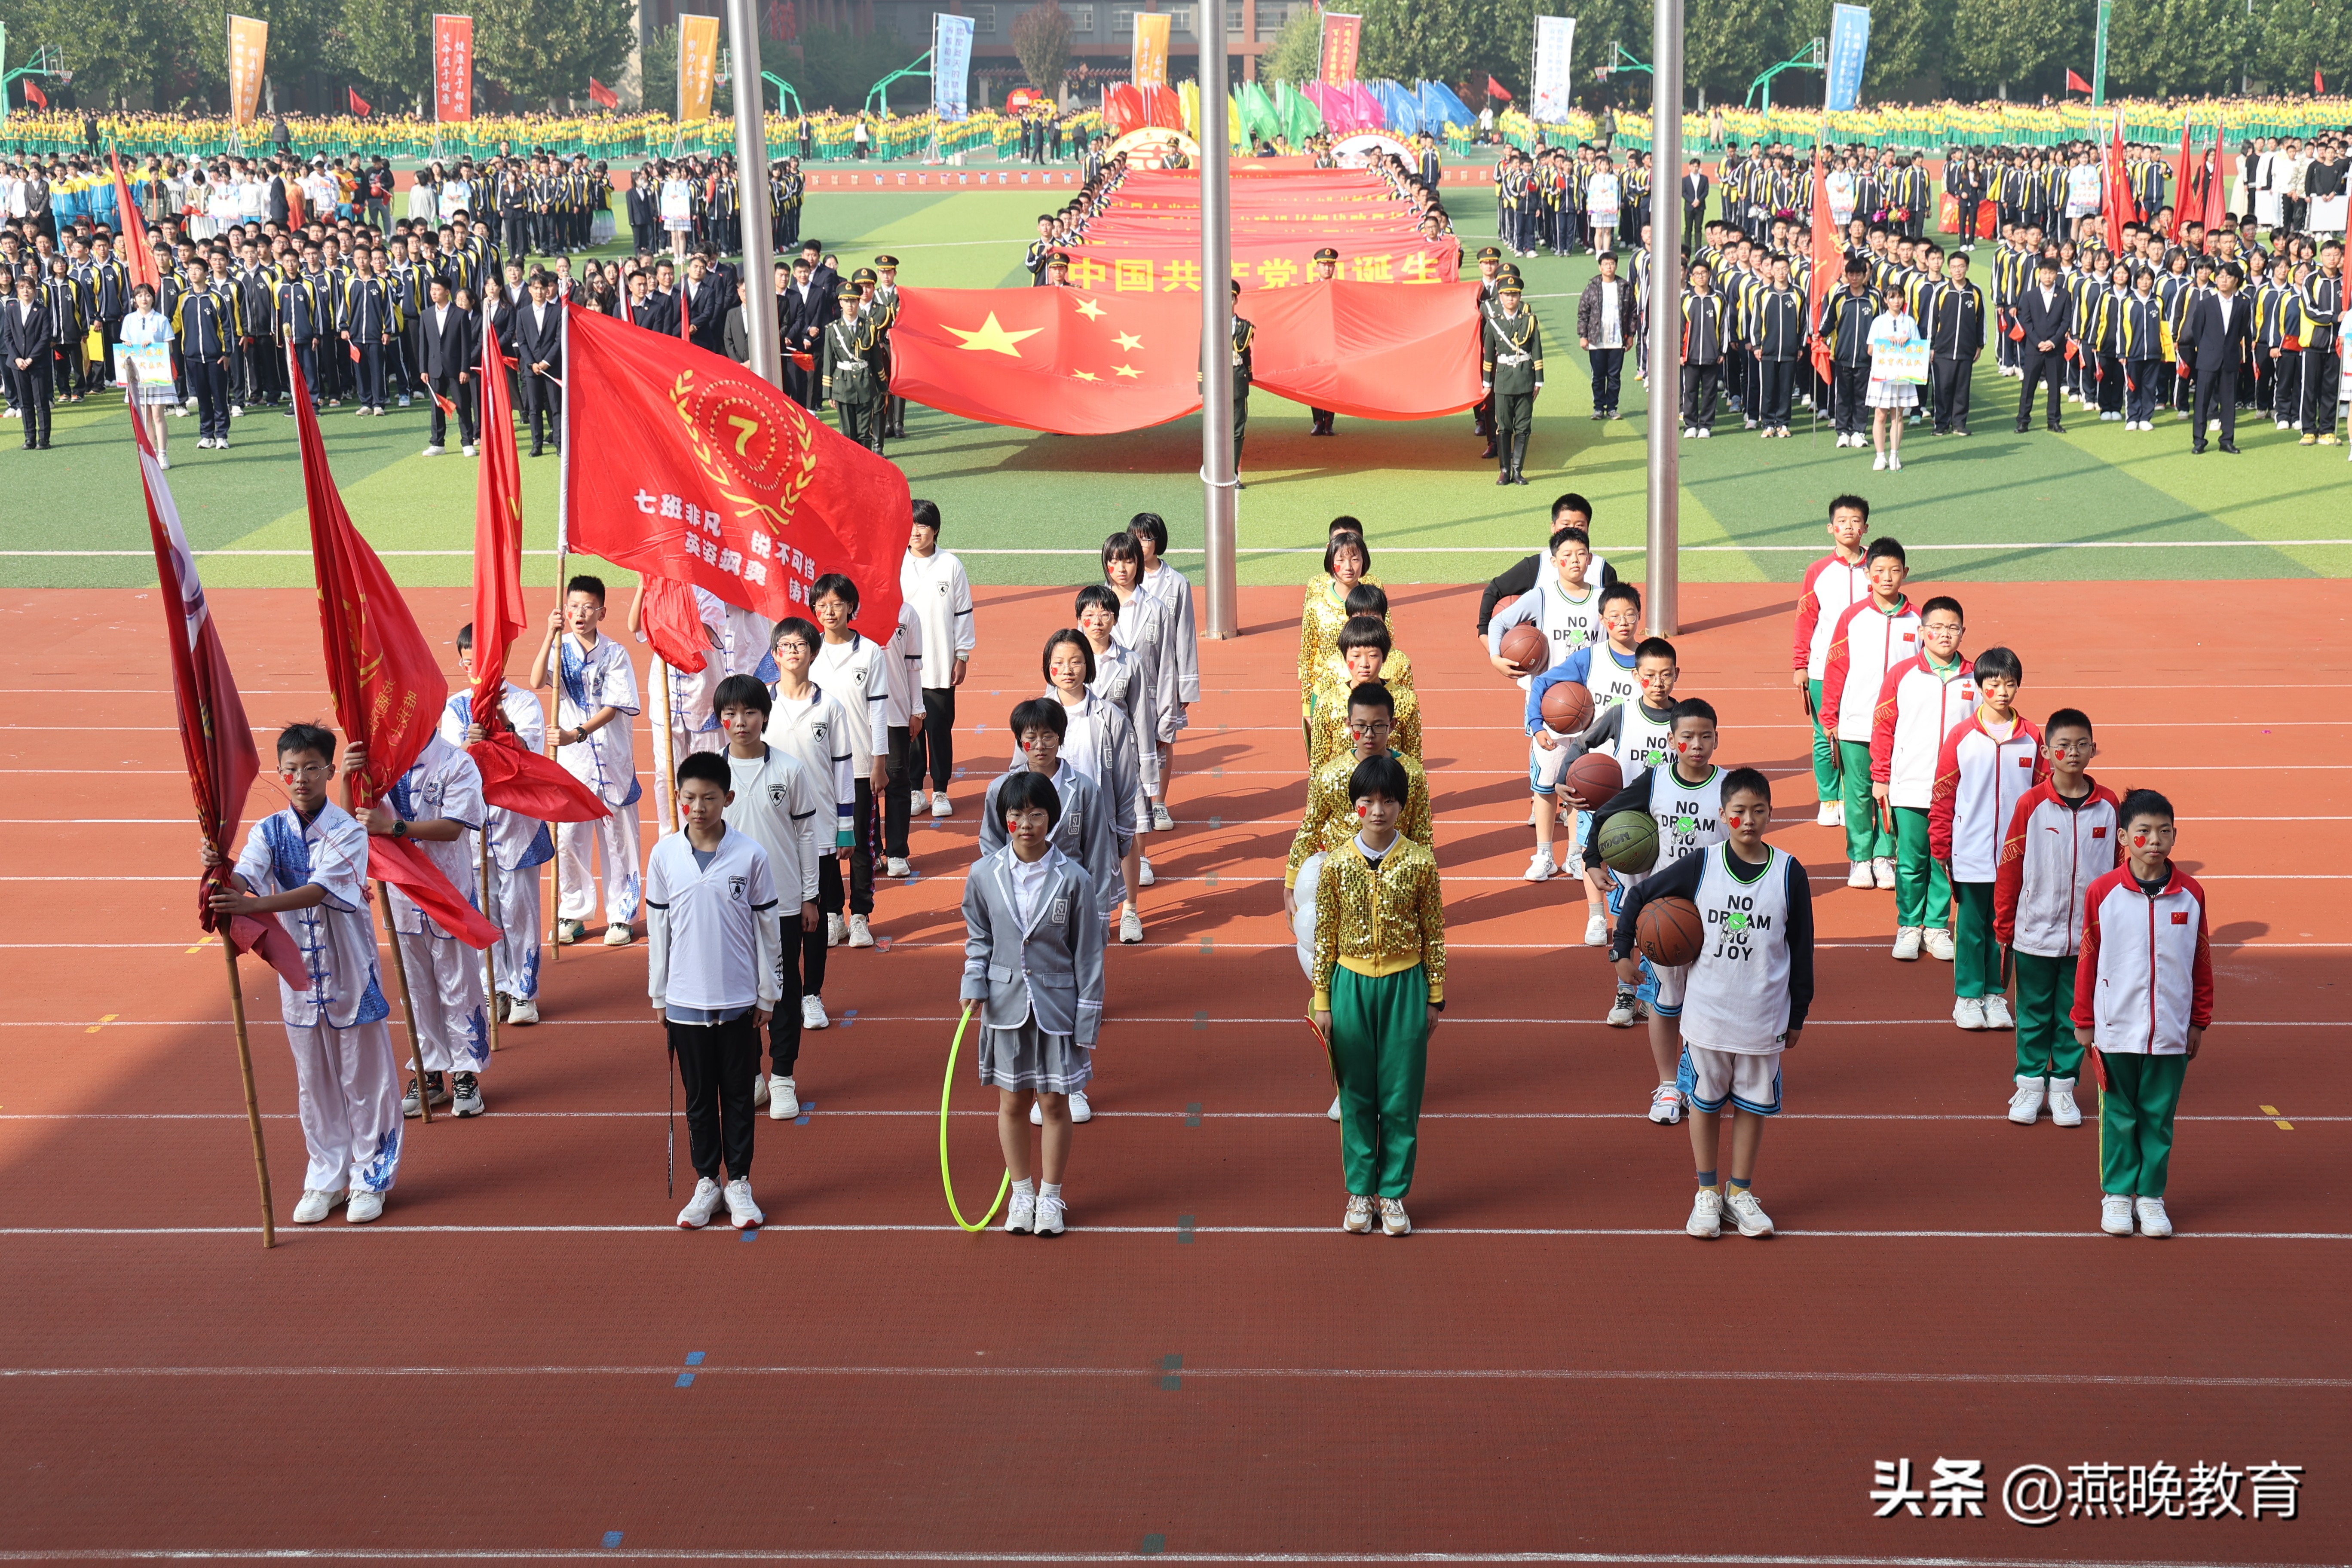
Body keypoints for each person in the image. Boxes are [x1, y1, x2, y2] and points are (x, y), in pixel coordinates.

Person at [204, 724, 402, 1225]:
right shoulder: (268, 832)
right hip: (299, 982)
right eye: (290, 769)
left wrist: (253, 903)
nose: (300, 779)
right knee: (314, 1084)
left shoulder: (349, 831)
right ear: (279, 773)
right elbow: (246, 874)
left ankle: (370, 1177)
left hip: (352, 979)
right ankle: (326, 1176)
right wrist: (221, 872)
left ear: (330, 771)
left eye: (311, 768)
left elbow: (317, 891)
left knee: (365, 1082)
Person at [1613, 767, 1814, 1240]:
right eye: (1739, 812)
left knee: (1751, 1105)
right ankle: (1706, 1191)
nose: (1749, 820)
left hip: (1763, 1014)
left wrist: (1799, 1011)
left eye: (1758, 811)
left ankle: (1739, 1192)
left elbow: (1803, 948)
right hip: (1708, 1014)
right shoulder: (1703, 865)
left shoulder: (1789, 871)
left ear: (1771, 813)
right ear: (1723, 816)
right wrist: (1622, 948)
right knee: (1704, 1103)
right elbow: (1642, 893)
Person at [962, 770, 1107, 1237]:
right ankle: (1020, 1193)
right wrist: (974, 982)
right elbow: (978, 937)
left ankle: (1050, 1196)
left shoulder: (1075, 879)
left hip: (1056, 1008)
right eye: (1017, 814)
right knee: (1011, 1101)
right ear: (1005, 818)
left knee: (1054, 1102)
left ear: (1052, 818)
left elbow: (1088, 953)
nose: (1027, 823)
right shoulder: (984, 875)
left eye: (1037, 814)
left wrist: (1087, 1016)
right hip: (1005, 1005)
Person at [1311, 753, 1446, 1237]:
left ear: (1402, 806)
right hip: (1349, 986)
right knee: (1357, 1095)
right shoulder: (1338, 864)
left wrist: (1435, 995)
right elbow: (1324, 933)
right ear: (1355, 806)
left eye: (1389, 800)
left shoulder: (1420, 861)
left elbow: (1434, 930)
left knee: (1401, 1096)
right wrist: (1322, 1001)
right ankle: (1359, 1191)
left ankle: (1392, 1195)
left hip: (1405, 985)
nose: (1378, 809)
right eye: (1368, 799)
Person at [649, 751, 784, 1231]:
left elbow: (770, 929)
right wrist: (659, 995)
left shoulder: (751, 855)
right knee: (699, 1098)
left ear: (728, 799)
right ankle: (707, 1180)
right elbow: (659, 929)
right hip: (685, 1002)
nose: (699, 807)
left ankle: (740, 1182)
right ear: (680, 799)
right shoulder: (664, 855)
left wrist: (769, 993)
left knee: (740, 1096)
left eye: (709, 798)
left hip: (738, 1000)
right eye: (690, 798)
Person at [2073, 790, 2213, 1239]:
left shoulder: (2191, 895)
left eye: (2165, 831)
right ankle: (2116, 1194)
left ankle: (2150, 1197)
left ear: (2175, 836)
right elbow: (2089, 958)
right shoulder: (2103, 892)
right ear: (2123, 837)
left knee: (2158, 1116)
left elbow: (2201, 961)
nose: (2155, 840)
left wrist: (2198, 1020)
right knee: (2118, 1113)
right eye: (2144, 832)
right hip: (2116, 1029)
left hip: (2170, 1031)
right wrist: (2084, 1019)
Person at [1586, 697, 1727, 1124]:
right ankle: (1669, 1085)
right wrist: (1593, 858)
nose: (1697, 745)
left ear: (1717, 739)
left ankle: (1704, 1078)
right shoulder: (1657, 781)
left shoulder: (1730, 786)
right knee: (1666, 1002)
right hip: (1665, 913)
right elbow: (1607, 813)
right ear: (1672, 741)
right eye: (1687, 737)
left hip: (1715, 912)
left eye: (1706, 736)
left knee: (1712, 1003)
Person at [342, 723, 490, 1121]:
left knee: (459, 985)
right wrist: (347, 775)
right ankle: (429, 1072)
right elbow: (350, 822)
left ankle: (466, 1074)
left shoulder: (456, 763)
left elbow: (453, 827)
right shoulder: (379, 768)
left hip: (448, 893)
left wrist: (392, 828)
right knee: (417, 990)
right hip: (403, 899)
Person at [1994, 707, 2117, 1130]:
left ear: (2094, 749)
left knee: (2073, 1011)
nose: (2073, 753)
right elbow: (2010, 867)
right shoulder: (2031, 805)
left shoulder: (2109, 806)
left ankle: (2063, 1087)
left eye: (2082, 745)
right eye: (2062, 746)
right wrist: (2005, 927)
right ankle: (2029, 1085)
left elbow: (2119, 870)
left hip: (2086, 937)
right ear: (2046, 752)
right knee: (2032, 1011)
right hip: (2035, 931)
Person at [710, 675, 823, 1123]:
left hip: (784, 901)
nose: (741, 722)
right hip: (727, 904)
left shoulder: (789, 770)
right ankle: (752, 1075)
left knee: (782, 987)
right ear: (721, 720)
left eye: (750, 713)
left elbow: (807, 834)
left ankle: (782, 1078)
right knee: (739, 990)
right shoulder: (710, 771)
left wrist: (811, 895)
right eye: (731, 714)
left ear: (765, 716)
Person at [1929, 646, 2046, 1032]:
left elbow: (2044, 797)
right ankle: (1967, 996)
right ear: (1979, 686)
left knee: (2006, 927)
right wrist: (1942, 844)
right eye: (1994, 684)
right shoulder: (1961, 736)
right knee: (1971, 927)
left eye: (2010, 684)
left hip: (2016, 856)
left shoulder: (2032, 737)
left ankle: (1996, 995)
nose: (2002, 692)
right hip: (1972, 852)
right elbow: (1944, 794)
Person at [444, 624, 554, 1028]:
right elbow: (448, 766)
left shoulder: (525, 704)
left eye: (486, 660)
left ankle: (524, 991)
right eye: (470, 660)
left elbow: (529, 758)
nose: (478, 667)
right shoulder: (454, 708)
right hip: (472, 830)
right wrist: (469, 745)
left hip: (517, 827)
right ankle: (494, 986)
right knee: (481, 908)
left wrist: (502, 724)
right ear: (462, 662)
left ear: (501, 660)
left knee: (519, 910)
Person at [533, 574, 643, 946]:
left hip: (612, 761)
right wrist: (549, 635)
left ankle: (621, 916)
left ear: (602, 612)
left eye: (588, 607)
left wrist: (576, 733)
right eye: (574, 607)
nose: (580, 614)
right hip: (573, 765)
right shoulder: (559, 648)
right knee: (568, 839)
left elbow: (614, 708)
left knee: (618, 840)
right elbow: (536, 681)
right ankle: (574, 911)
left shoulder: (615, 654)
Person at [763, 616, 858, 1032]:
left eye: (801, 645)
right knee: (771, 918)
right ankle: (778, 992)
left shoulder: (831, 707)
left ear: (814, 653)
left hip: (817, 833)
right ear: (774, 654)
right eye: (785, 645)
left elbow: (843, 769)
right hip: (770, 832)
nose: (793, 652)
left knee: (813, 917)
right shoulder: (762, 706)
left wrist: (846, 826)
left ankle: (812, 995)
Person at [1868, 595, 1975, 964]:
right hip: (1910, 785)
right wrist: (1881, 778)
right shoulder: (1902, 675)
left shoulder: (1976, 678)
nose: (1945, 635)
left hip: (1958, 791)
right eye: (1937, 628)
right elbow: (1883, 728)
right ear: (1922, 631)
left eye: (1953, 628)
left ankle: (1936, 925)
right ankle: (1909, 925)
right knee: (1911, 861)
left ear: (1963, 632)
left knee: (1944, 860)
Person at [1820, 538, 1919, 892]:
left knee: (1889, 793)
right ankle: (1860, 857)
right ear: (1868, 574)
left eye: (1895, 571)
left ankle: (1884, 855)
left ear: (1906, 573)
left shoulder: (1919, 621)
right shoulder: (1853, 617)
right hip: (1856, 724)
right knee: (1859, 794)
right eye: (1879, 571)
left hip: (1901, 728)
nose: (1887, 577)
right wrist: (1829, 717)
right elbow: (1835, 669)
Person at [1044, 628, 1141, 959]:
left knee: (1092, 918)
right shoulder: (1037, 717)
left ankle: (1088, 999)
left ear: (1089, 665)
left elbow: (1127, 781)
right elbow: (1018, 776)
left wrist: (1125, 833)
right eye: (1059, 662)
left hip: (1096, 829)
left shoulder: (1111, 717)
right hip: (1050, 831)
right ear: (1048, 667)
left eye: (1076, 661)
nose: (1067, 670)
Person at [809, 575, 890, 949]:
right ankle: (832, 916)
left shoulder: (870, 653)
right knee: (825, 847)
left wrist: (879, 761)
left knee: (860, 845)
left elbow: (877, 712)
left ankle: (860, 916)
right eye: (822, 605)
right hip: (820, 769)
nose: (830, 611)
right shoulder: (809, 652)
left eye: (837, 604)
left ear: (851, 608)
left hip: (858, 766)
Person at [1789, 497, 1871, 828]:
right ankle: (1829, 799)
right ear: (1830, 528)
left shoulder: (1876, 567)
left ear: (1866, 528)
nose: (1849, 527)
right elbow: (1805, 620)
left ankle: (1856, 795)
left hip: (1868, 670)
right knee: (1825, 735)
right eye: (1842, 521)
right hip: (1824, 667)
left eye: (1856, 521)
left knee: (1864, 735)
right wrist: (1800, 665)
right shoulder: (1818, 572)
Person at [901, 499, 975, 821]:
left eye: (922, 525)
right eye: (911, 525)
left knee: (940, 728)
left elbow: (963, 614)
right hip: (904, 666)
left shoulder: (951, 565)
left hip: (940, 661)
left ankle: (941, 790)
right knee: (910, 731)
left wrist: (962, 656)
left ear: (935, 530)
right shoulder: (896, 564)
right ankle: (916, 789)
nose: (916, 532)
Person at [1128, 511, 1198, 832]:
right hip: (1127, 673)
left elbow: (1185, 635)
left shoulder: (1177, 583)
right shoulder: (1120, 578)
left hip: (1164, 673)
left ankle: (1158, 804)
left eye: (1146, 538)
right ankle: (1130, 803)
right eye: (1136, 537)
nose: (1141, 544)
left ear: (1159, 541)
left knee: (1162, 737)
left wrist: (1185, 686)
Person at [2181, 262, 2252, 455]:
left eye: (2228, 277)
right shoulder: (2206, 304)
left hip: (2230, 358)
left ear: (2236, 280)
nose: (2223, 280)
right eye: (2220, 276)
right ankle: (2199, 440)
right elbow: (2197, 330)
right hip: (2207, 358)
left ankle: (2227, 440)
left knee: (2229, 402)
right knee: (2202, 401)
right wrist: (2208, 348)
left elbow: (2242, 331)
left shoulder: (2244, 304)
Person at [1480, 279, 1543, 483]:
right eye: (1507, 295)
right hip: (1504, 380)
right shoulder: (1494, 322)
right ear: (1501, 297)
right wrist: (1487, 384)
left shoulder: (1530, 321)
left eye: (1515, 295)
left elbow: (1537, 351)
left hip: (1525, 378)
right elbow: (1489, 355)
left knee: (1523, 427)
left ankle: (1518, 470)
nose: (1511, 298)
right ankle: (1505, 470)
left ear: (1520, 297)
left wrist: (1539, 381)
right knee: (1504, 427)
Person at [1919, 251, 1985, 436]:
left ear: (1967, 268)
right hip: (1943, 350)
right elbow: (1932, 320)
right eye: (1954, 267)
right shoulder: (1942, 290)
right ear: (1949, 269)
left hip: (1966, 349)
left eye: (1961, 267)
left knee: (1962, 389)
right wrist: (1931, 347)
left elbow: (1981, 320)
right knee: (1943, 389)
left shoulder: (1975, 292)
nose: (1958, 271)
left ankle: (1959, 424)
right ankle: (1941, 424)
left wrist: (1980, 345)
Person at [117, 283, 178, 465]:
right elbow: (124, 345)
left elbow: (170, 347)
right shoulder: (129, 320)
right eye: (140, 296)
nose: (144, 299)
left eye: (148, 295)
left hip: (157, 373)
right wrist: (128, 346)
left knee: (158, 415)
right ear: (135, 300)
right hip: (138, 376)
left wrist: (152, 346)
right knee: (146, 417)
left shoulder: (161, 320)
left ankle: (163, 453)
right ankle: (151, 454)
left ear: (153, 298)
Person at [2012, 254, 2072, 434]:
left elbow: (2066, 322)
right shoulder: (2030, 296)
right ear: (2039, 274)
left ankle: (2054, 421)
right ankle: (2023, 420)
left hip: (2055, 348)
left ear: (2057, 275)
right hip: (2034, 348)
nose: (2048, 276)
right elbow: (2026, 322)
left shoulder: (2064, 295)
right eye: (2045, 273)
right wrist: (2039, 342)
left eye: (2051, 273)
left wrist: (2053, 342)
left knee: (2054, 386)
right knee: (2029, 385)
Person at [1864, 283, 1921, 471]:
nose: (1896, 301)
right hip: (1883, 374)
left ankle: (1895, 455)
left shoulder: (1910, 322)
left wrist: (1909, 342)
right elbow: (1871, 350)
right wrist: (1885, 342)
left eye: (1899, 297)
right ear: (1885, 300)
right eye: (1892, 297)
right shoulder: (1879, 322)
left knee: (1898, 415)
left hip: (1902, 374)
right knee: (1880, 415)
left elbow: (1918, 349)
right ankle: (1880, 456)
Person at [1577, 250, 1638, 420]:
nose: (1609, 267)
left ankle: (1612, 408)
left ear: (1616, 266)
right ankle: (1598, 408)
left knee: (1614, 377)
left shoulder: (1625, 287)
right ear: (1600, 267)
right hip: (1597, 340)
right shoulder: (1593, 287)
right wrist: (1584, 336)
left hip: (1618, 340)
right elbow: (1583, 312)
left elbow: (1633, 312)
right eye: (1605, 264)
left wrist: (1631, 335)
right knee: (1598, 376)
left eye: (1612, 264)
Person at [5, 272, 56, 449]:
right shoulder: (11, 309)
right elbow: (8, 337)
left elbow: (45, 337)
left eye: (29, 288)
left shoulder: (42, 311)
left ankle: (44, 439)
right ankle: (30, 438)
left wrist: (31, 358)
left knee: (41, 401)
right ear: (17, 291)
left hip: (38, 363)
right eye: (21, 288)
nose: (25, 291)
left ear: (35, 291)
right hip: (18, 364)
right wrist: (18, 358)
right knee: (25, 402)